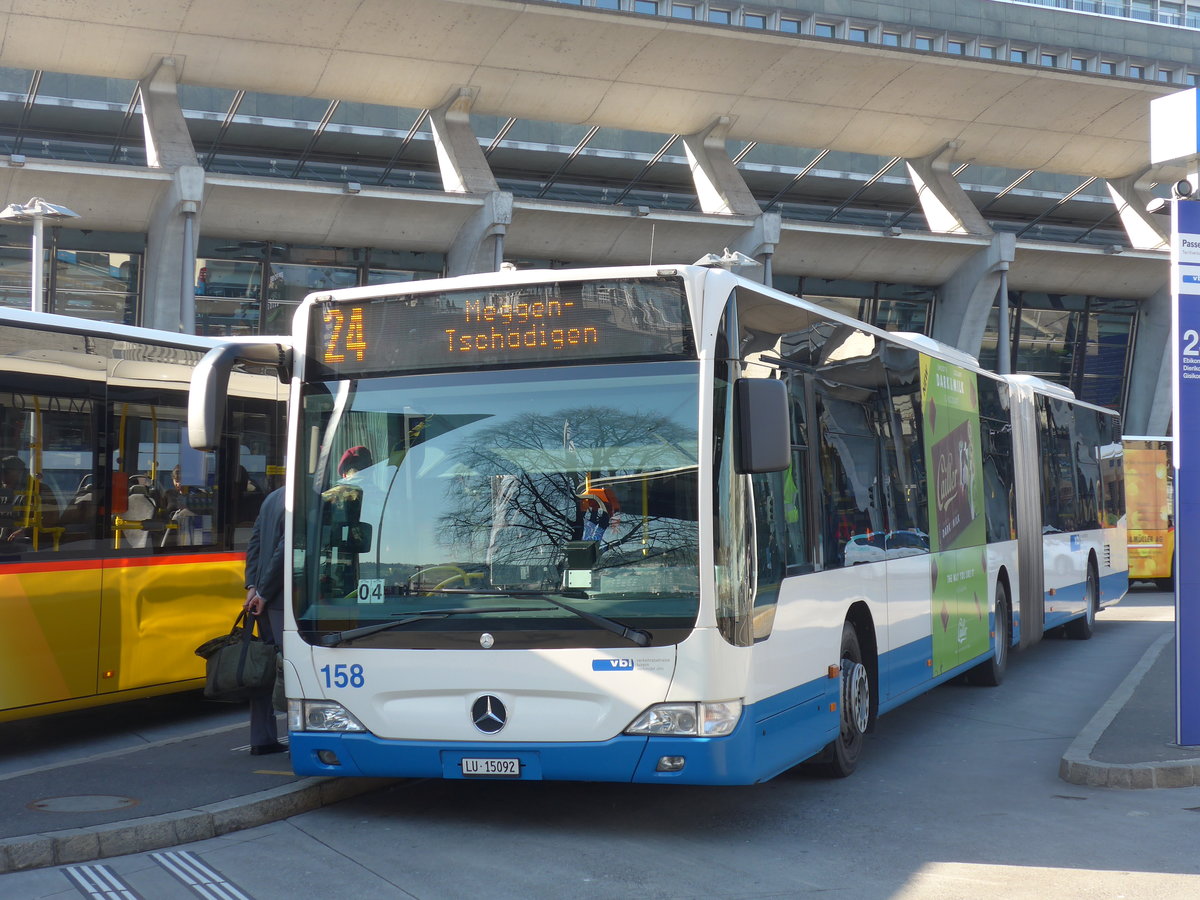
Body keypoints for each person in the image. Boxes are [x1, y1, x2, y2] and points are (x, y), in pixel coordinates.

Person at [243, 485, 287, 756]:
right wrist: (264, 592)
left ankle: (262, 738)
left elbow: (255, 545)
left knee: (265, 668)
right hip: (284, 600)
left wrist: (252, 587)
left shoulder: (271, 498)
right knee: (291, 669)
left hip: (265, 599)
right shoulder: (303, 496)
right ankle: (299, 734)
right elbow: (285, 550)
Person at [0, 456, 31, 544]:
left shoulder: (34, 491)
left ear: (19, 472)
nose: (2, 476)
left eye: (6, 472)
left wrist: (24, 531)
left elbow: (47, 519)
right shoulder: (4, 493)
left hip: (27, 543)